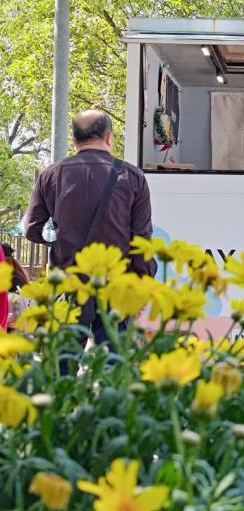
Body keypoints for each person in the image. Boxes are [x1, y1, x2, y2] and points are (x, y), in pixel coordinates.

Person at [25, 110, 157, 346]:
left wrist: (61, 237)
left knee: (62, 369)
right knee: (114, 371)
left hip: (70, 286)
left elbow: (33, 230)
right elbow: (142, 241)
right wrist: (141, 285)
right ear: (109, 137)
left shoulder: (51, 175)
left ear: (75, 140)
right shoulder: (132, 176)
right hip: (116, 289)